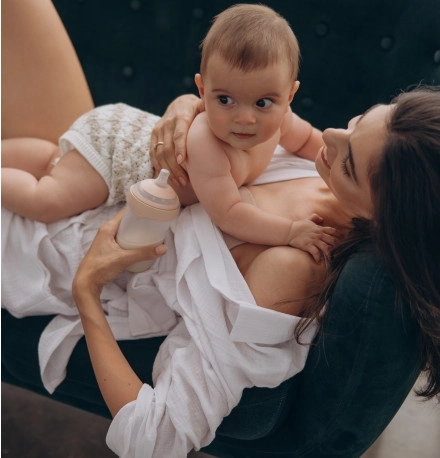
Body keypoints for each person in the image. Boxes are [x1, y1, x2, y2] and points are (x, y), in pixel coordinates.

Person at [2, 1, 439, 457]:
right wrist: (188, 109)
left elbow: (156, 437)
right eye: (356, 123)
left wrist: (87, 288)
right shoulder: (322, 169)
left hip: (41, 242)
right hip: (96, 170)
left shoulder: (290, 266)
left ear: (381, 218)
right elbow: (240, 117)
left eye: (348, 163)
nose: (329, 136)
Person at [1, 3, 337, 264]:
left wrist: (340, 162)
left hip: (125, 125)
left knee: (54, 157)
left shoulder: (282, 121)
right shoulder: (207, 145)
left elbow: (310, 141)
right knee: (47, 199)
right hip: (113, 156)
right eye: (225, 100)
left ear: (289, 96)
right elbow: (229, 213)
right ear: (202, 90)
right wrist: (290, 231)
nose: (244, 119)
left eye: (263, 103)